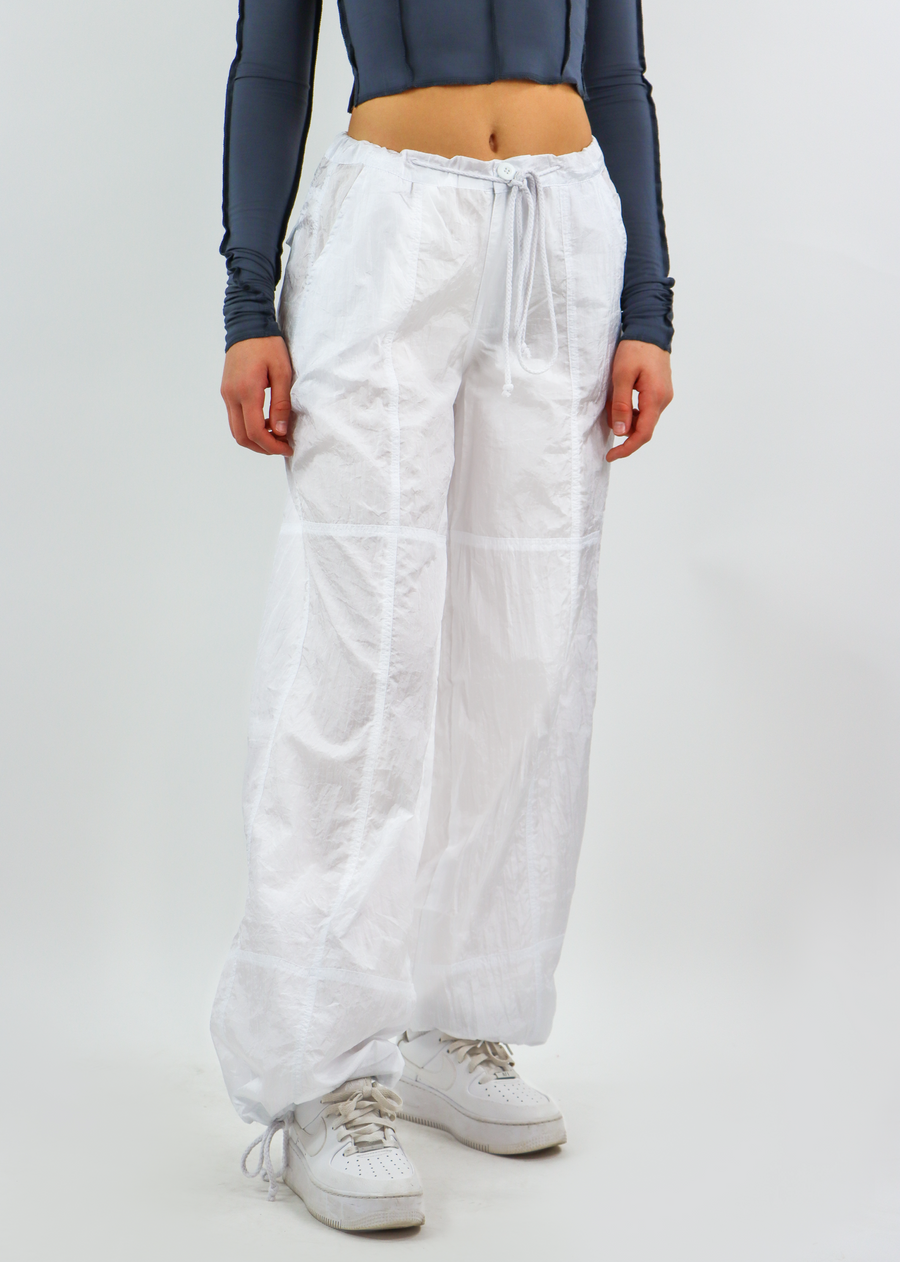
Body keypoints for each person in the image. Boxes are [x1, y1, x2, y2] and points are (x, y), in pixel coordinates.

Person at [214, 0, 674, 1233]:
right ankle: (320, 1072)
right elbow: (271, 61)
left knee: (524, 640)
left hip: (563, 226)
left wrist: (649, 306)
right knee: (361, 651)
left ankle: (453, 1013)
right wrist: (249, 305)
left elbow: (618, 68)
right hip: (391, 227)